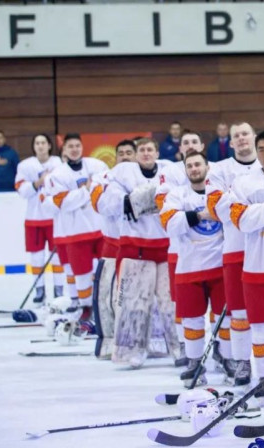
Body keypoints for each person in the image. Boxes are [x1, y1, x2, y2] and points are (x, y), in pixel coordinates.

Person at [94, 138, 178, 368]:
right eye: (142, 150)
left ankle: (178, 348)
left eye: (150, 149)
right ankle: (131, 350)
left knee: (171, 302)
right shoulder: (122, 172)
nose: (146, 153)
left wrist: (140, 199)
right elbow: (109, 201)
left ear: (157, 152)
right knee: (133, 303)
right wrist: (133, 201)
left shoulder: (171, 170)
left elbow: (176, 195)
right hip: (135, 248)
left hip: (166, 246)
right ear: (136, 154)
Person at [206, 122, 264, 390]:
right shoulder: (219, 170)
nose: (241, 139)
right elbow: (217, 210)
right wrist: (248, 201)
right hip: (235, 250)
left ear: (253, 138)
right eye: (236, 136)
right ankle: (242, 361)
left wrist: (240, 202)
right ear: (230, 143)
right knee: (239, 313)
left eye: (245, 134)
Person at [161, 150, 226, 386]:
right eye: (190, 166)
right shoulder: (177, 194)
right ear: (185, 170)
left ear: (207, 167)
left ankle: (228, 359)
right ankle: (194, 361)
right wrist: (201, 215)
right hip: (189, 266)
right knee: (192, 320)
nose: (194, 169)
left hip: (219, 266)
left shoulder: (219, 193)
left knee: (224, 319)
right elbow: (169, 223)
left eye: (198, 164)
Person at [227, 129, 264, 388]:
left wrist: (258, 212)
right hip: (256, 267)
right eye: (261, 149)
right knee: (261, 328)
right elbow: (241, 220)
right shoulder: (243, 182)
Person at [155, 130, 212, 367]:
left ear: (201, 146)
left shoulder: (214, 172)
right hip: (179, 251)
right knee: (185, 306)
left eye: (194, 142)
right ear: (180, 149)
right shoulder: (168, 173)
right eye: (185, 142)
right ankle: (185, 348)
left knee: (221, 311)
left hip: (213, 254)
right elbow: (165, 211)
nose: (189, 145)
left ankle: (220, 349)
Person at [44, 133, 107, 320]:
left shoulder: (97, 166)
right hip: (75, 232)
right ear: (64, 150)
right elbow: (62, 202)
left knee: (103, 270)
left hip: (99, 228)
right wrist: (86, 191)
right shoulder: (56, 175)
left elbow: (103, 191)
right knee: (81, 273)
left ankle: (102, 305)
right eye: (70, 146)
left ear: (82, 147)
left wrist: (79, 195)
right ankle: (86, 307)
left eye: (77, 145)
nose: (74, 149)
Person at [88, 139, 136, 359]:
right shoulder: (102, 178)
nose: (125, 156)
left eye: (129, 152)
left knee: (137, 296)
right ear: (115, 158)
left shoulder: (147, 176)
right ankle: (107, 340)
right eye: (121, 153)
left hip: (138, 245)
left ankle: (138, 340)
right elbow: (100, 205)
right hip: (112, 243)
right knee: (106, 296)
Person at [14, 134, 64, 304]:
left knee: (57, 257)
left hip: (54, 219)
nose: (41, 146)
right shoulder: (25, 165)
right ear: (33, 146)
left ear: (50, 145)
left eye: (43, 142)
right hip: (34, 219)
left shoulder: (58, 163)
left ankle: (59, 291)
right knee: (36, 257)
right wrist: (38, 182)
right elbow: (21, 190)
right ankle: (39, 290)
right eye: (37, 143)